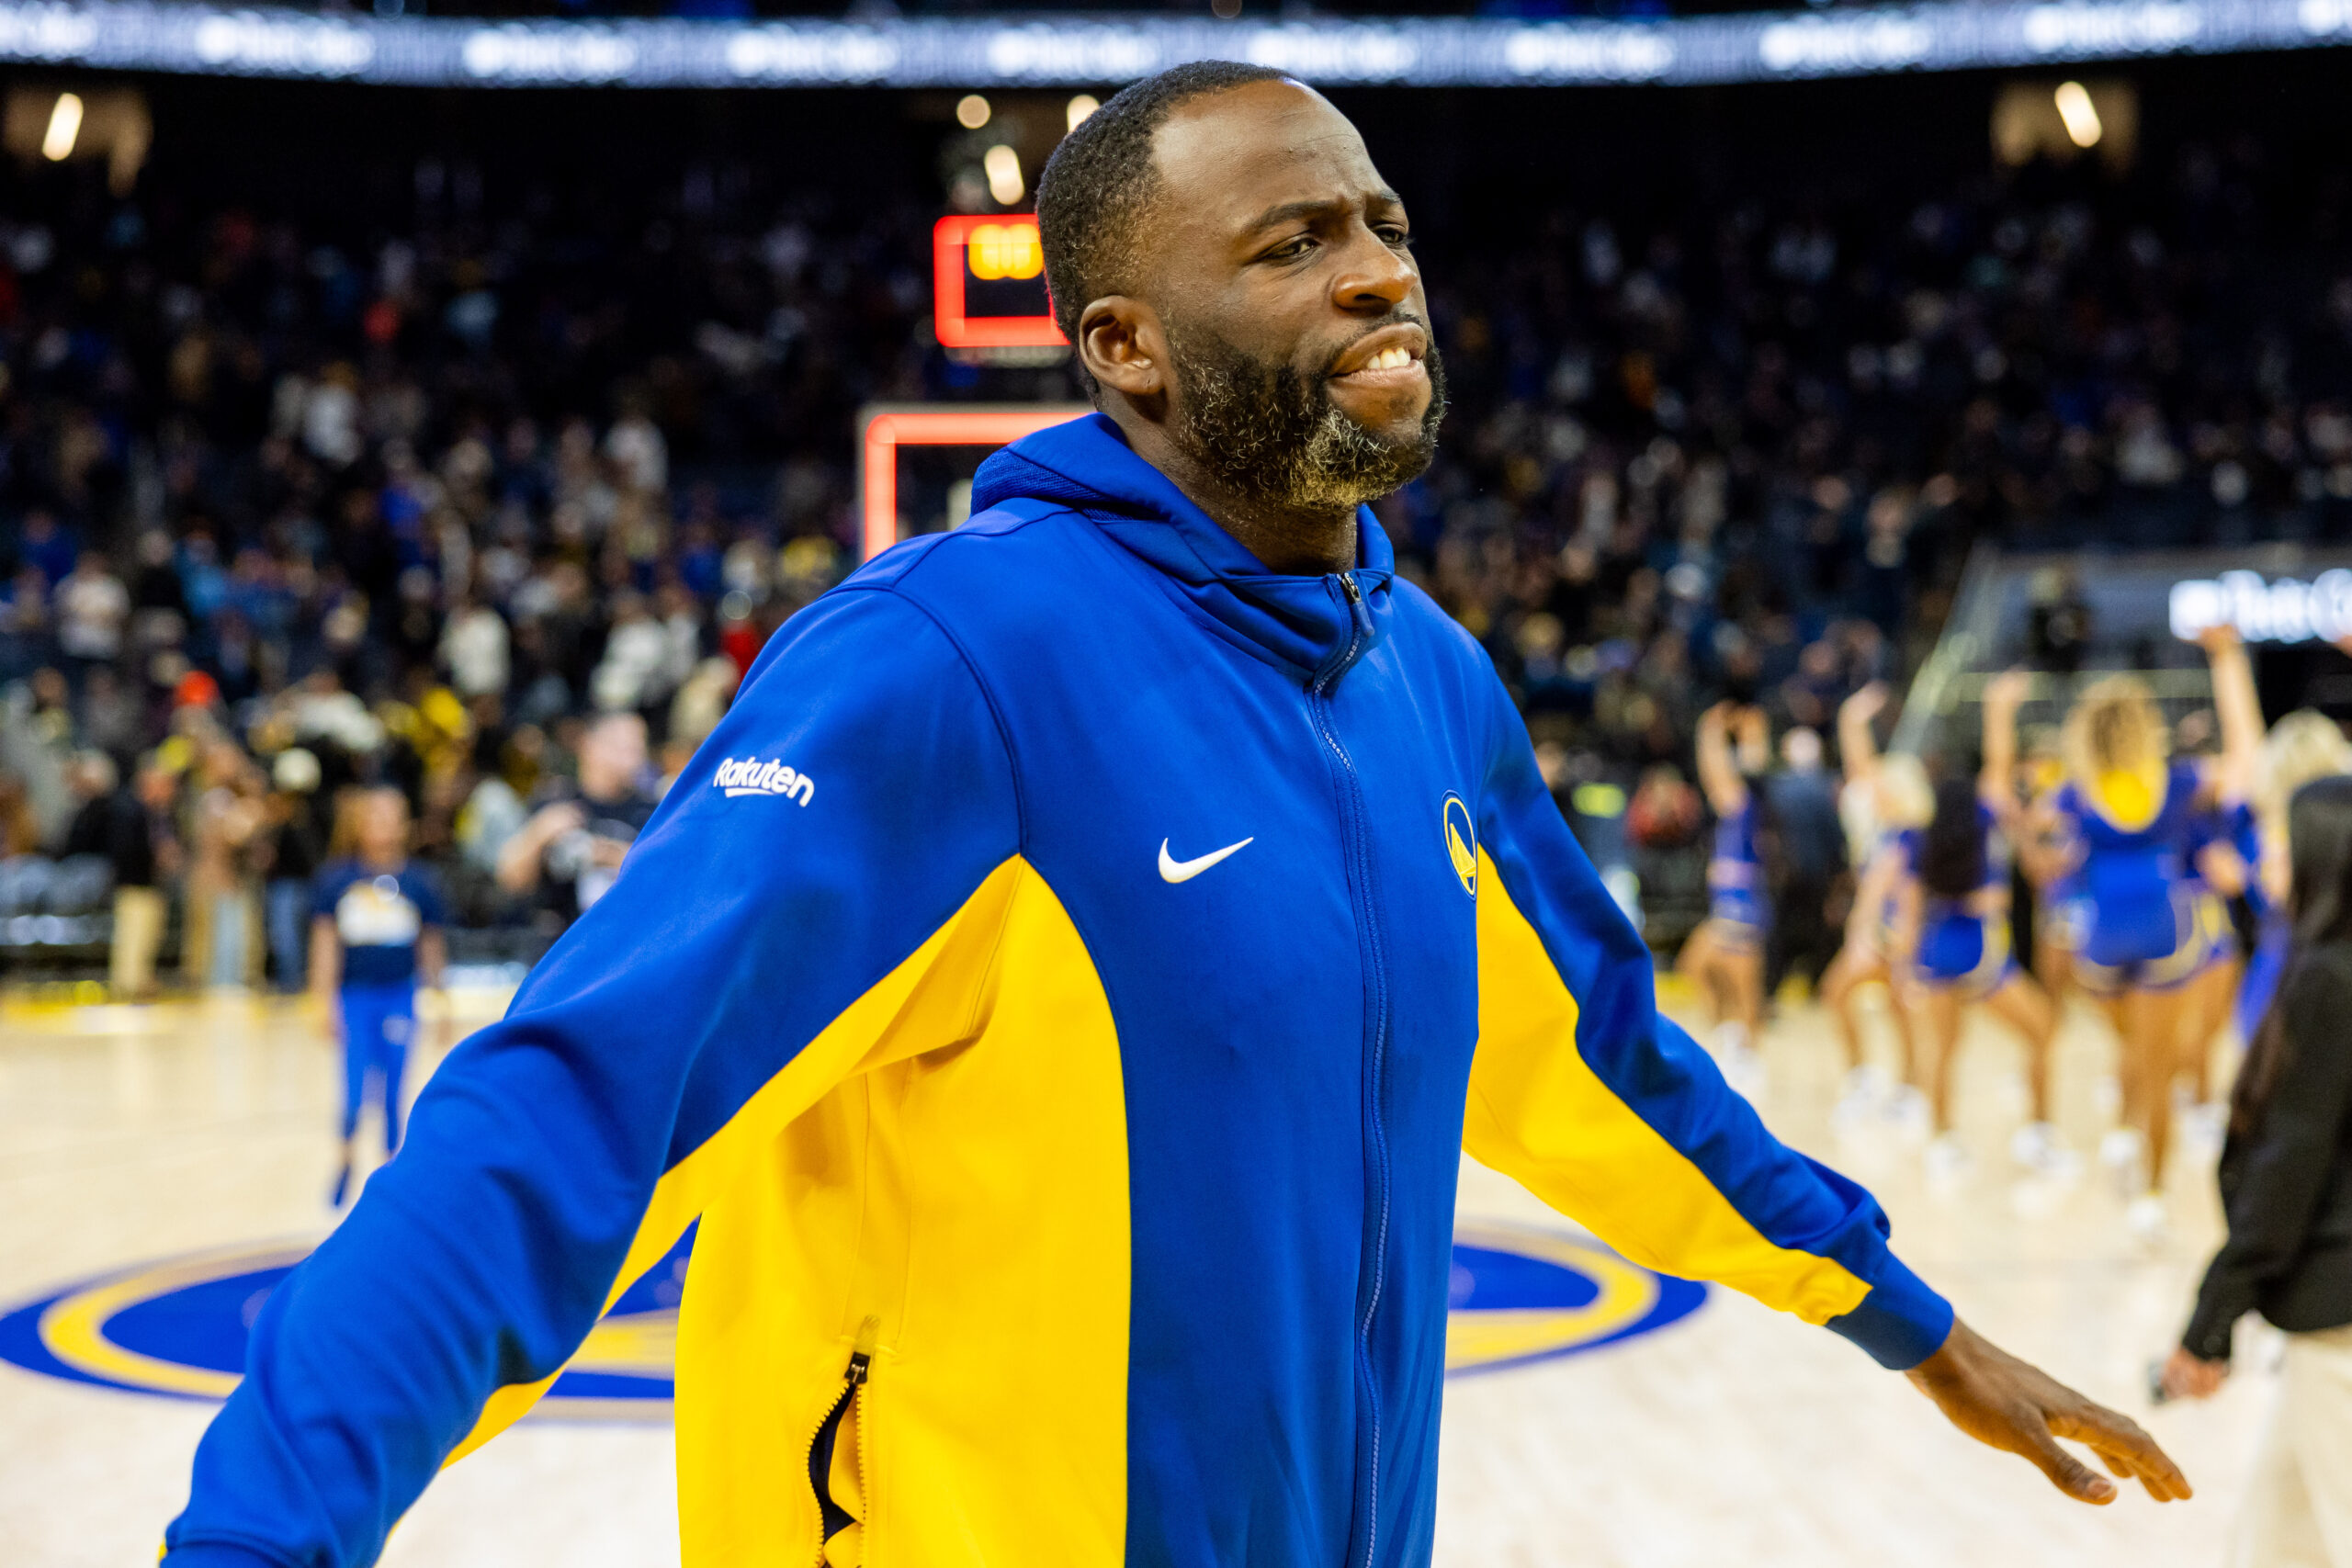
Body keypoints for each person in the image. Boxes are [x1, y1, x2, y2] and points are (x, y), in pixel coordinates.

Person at [161, 66, 2187, 1568]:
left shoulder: (1429, 683)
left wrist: (1909, 1322)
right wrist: (260, 1536)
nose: (1374, 270)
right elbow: (558, 1119)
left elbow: (1606, 1078)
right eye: (1289, 243)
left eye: (1380, 219)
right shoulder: (940, 670)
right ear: (1120, 341)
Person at [2163, 774, 2352, 1564]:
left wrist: (2212, 1317)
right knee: (2278, 1542)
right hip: (2327, 1309)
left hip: (2338, 1313)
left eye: (2278, 838)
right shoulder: (2317, 964)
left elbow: (2288, 1168)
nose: (2264, 854)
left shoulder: (2329, 980)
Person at [2040, 627, 2261, 1238]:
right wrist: (2228, 661)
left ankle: (2121, 1123)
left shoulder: (2075, 793)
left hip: (2101, 938)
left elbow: (2044, 848)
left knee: (2130, 1048)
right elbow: (2245, 756)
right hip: (2166, 927)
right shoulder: (2179, 783)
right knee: (2158, 1061)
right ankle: (2154, 1192)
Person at [1894, 679, 2062, 1187]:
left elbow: (1911, 903)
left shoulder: (1931, 835)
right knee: (2042, 1031)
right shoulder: (1988, 817)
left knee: (1943, 1052)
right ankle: (2037, 1135)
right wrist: (1999, 707)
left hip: (1936, 950)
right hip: (1981, 952)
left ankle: (1943, 1141)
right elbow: (1999, 759)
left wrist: (1905, 966)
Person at [310, 786, 447, 1209]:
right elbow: (325, 944)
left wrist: (440, 999)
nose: (384, 825)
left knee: (393, 1091)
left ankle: (389, 1178)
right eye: (375, 816)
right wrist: (322, 1000)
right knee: (353, 1092)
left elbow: (431, 945)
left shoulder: (420, 883)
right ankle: (345, 1158)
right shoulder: (337, 881)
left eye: (392, 816)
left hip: (399, 997)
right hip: (355, 999)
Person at [1820, 682, 1927, 1117]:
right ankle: (1871, 1081)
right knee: (1843, 995)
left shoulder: (1904, 828)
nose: (1872, 785)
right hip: (1878, 926)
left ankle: (1907, 1089)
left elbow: (1862, 767)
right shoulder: (1878, 829)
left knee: (1896, 1006)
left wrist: (1851, 720)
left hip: (1895, 927)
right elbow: (1861, 771)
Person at [1676, 699, 1772, 1086]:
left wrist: (1722, 733)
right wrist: (1710, 733)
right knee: (1697, 965)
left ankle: (1749, 1056)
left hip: (1745, 905)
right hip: (1727, 904)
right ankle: (1733, 1038)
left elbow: (1741, 769)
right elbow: (1715, 777)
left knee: (1745, 982)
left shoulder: (1749, 808)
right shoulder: (1732, 813)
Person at [493, 709, 657, 931]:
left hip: (628, 939)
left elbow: (667, 875)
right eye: (627, 746)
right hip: (562, 940)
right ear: (591, 746)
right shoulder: (557, 800)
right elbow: (510, 879)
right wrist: (539, 833)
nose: (638, 755)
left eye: (641, 744)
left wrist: (607, 854)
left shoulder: (651, 810)